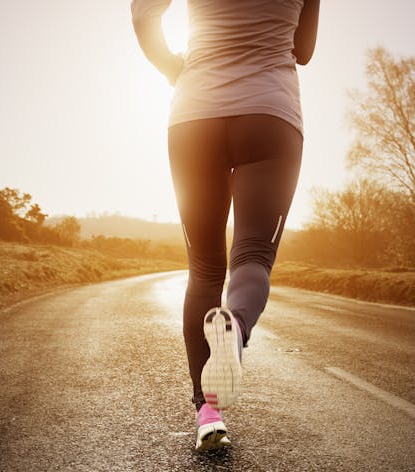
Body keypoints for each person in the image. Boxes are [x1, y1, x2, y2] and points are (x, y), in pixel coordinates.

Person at [131, 0, 319, 451]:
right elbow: (304, 49)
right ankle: (233, 326)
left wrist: (175, 67)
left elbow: (143, 14)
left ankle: (208, 415)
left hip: (194, 115)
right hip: (270, 115)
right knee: (252, 256)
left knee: (204, 270)